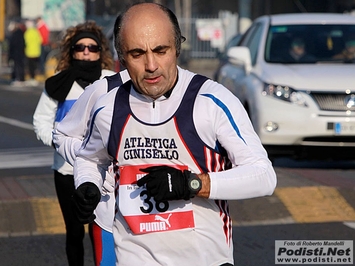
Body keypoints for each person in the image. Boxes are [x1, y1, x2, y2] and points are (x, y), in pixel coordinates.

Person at [72, 3, 277, 266]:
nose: (151, 65)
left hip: (206, 258)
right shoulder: (107, 106)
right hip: (134, 257)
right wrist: (87, 184)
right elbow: (90, 159)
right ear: (122, 58)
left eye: (161, 50)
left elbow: (263, 176)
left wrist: (190, 184)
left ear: (177, 49)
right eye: (137, 54)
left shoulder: (211, 101)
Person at [33, 20, 116, 266]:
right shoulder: (58, 83)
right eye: (81, 47)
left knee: (102, 229)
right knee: (75, 231)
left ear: (101, 53)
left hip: (106, 173)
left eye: (93, 47)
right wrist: (66, 148)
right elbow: (41, 122)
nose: (87, 52)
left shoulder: (112, 81)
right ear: (72, 51)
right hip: (66, 171)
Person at [24, 19, 42, 86]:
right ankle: (34, 78)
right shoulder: (36, 31)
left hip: (29, 52)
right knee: (35, 66)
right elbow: (40, 40)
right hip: (36, 52)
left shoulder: (27, 33)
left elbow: (25, 42)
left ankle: (32, 78)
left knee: (30, 66)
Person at [8, 20, 26, 87]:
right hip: (19, 53)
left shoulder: (17, 34)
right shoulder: (20, 33)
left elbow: (14, 45)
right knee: (18, 66)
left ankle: (19, 79)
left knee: (18, 66)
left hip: (17, 53)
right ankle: (19, 78)